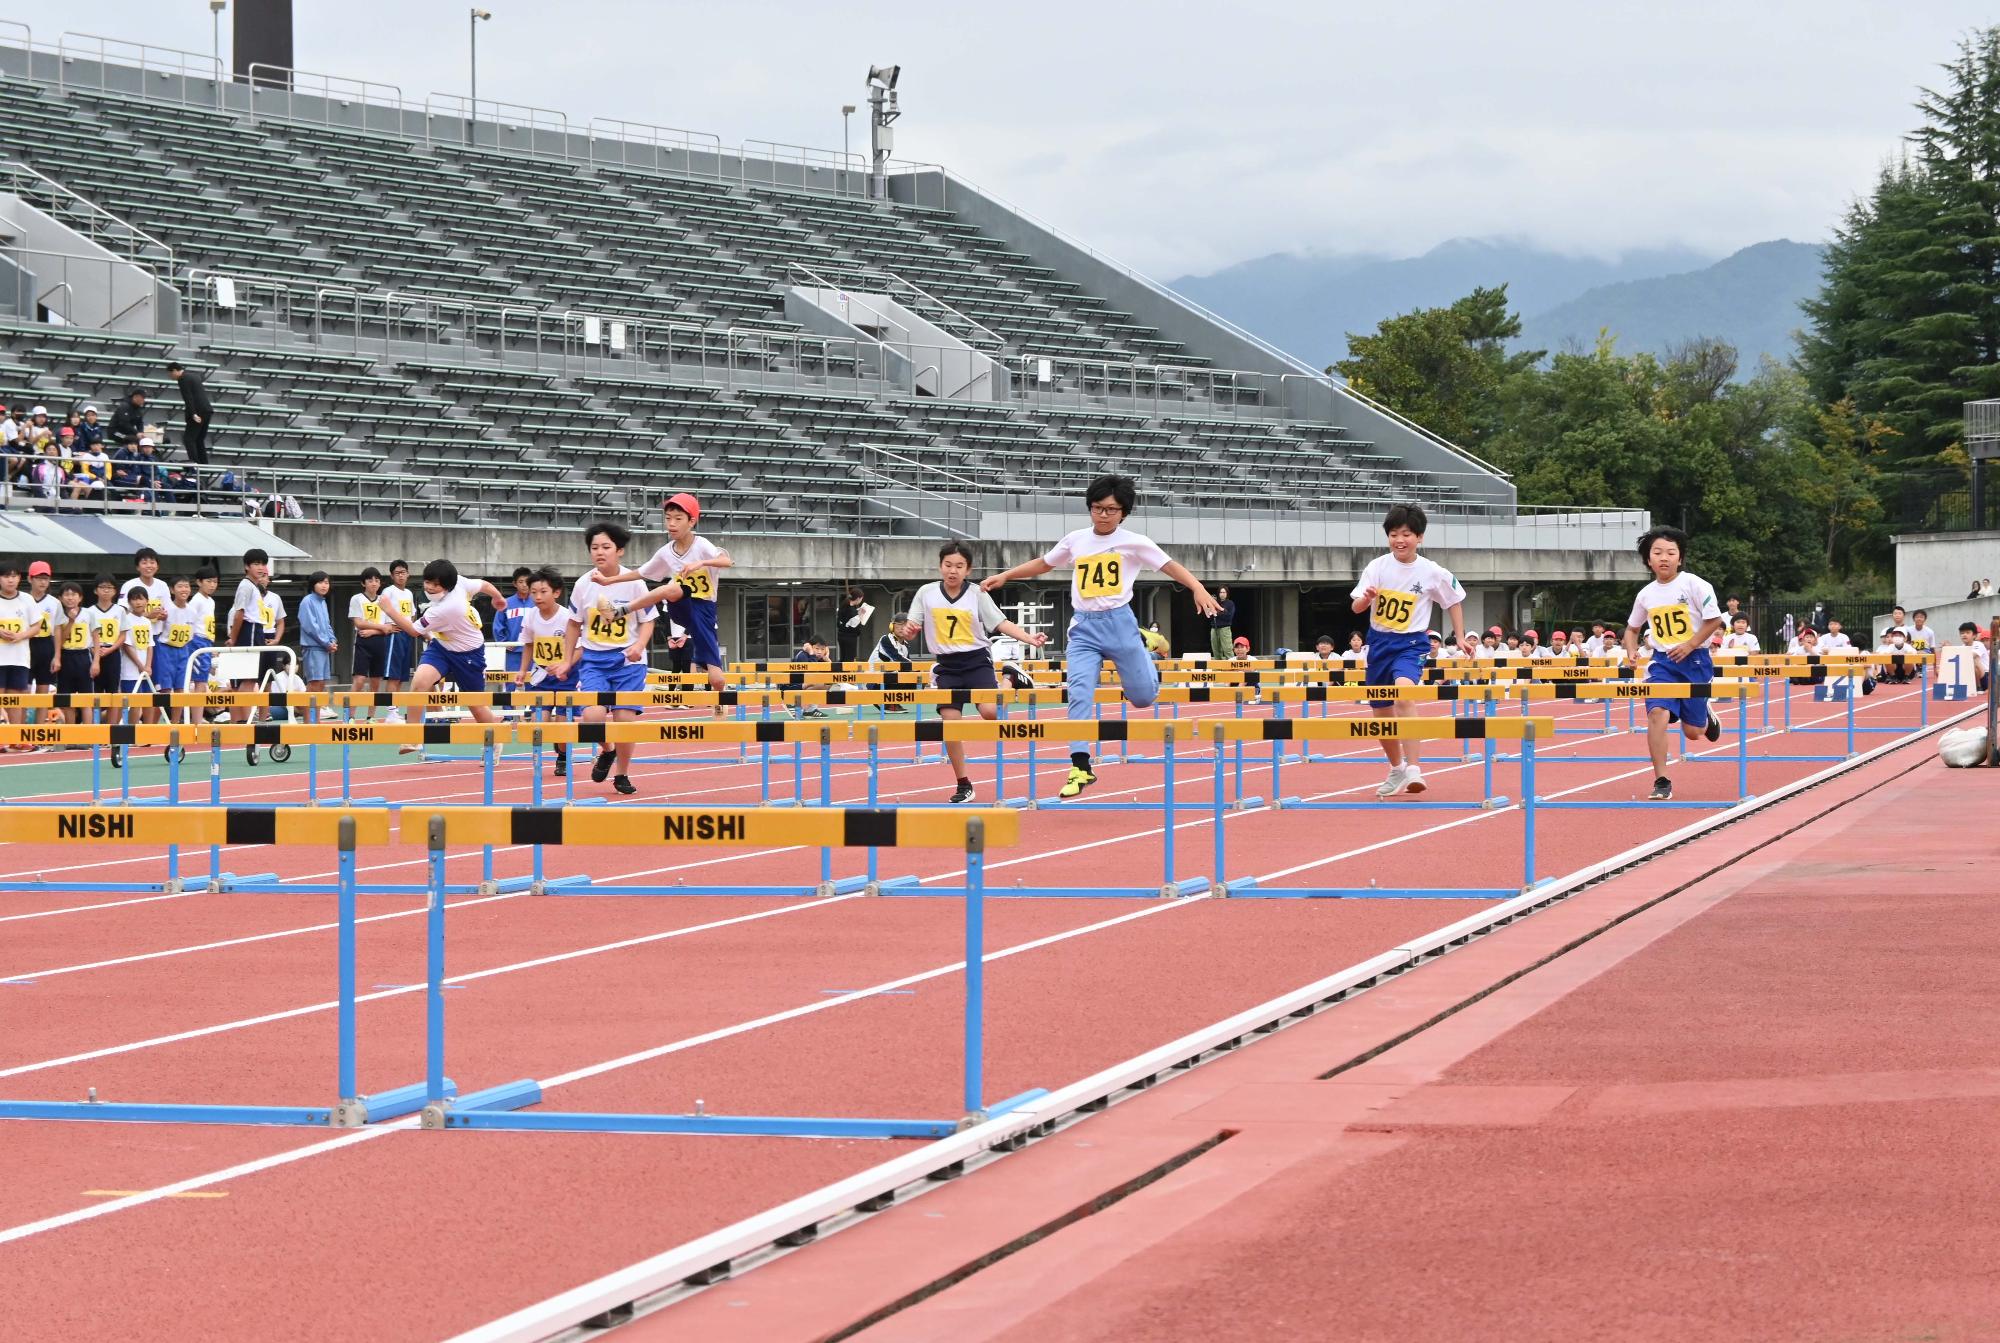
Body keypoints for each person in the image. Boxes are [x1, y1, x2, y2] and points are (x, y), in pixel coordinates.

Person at [979, 474, 1220, 799]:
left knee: (1142, 698)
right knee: (1079, 692)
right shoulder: (1076, 539)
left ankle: (1145, 643)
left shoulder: (1135, 542)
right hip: (1084, 629)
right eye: (1097, 508)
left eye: (1110, 510)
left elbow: (1169, 566)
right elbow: (1045, 564)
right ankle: (1080, 765)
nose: (1103, 515)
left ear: (1123, 512)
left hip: (1120, 625)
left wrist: (1198, 588)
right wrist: (1005, 575)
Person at [896, 542, 1049, 803]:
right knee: (950, 724)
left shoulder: (977, 594)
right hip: (946, 666)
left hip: (977, 660)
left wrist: (1028, 637)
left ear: (968, 569)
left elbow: (999, 622)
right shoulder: (926, 592)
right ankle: (963, 784)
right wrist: (910, 631)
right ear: (940, 565)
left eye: (959, 566)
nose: (952, 571)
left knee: (990, 713)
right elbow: (913, 624)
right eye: (948, 565)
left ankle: (1009, 677)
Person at [1351, 502, 1471, 798]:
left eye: (1406, 534)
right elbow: (1355, 607)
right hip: (1379, 643)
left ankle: (1415, 768)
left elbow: (1453, 600)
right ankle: (1396, 768)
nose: (1399, 540)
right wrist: (1367, 599)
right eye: (1393, 534)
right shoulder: (1377, 567)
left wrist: (1459, 636)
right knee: (1381, 713)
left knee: (1404, 691)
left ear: (1419, 537)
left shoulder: (1431, 571)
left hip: (1411, 643)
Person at [1623, 525, 1723, 802]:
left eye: (1670, 552)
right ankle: (1661, 780)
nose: (1664, 557)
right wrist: (1631, 652)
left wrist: (1691, 644)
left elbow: (1714, 620)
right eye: (1657, 552)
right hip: (1663, 663)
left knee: (1693, 733)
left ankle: (1705, 715)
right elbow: (1632, 629)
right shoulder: (1645, 594)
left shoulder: (1694, 584)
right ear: (1648, 559)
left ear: (1680, 558)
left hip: (1695, 661)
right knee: (1657, 714)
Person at [553, 522, 654, 794]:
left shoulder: (634, 583)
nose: (600, 552)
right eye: (594, 547)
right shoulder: (584, 584)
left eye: (606, 547)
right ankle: (607, 750)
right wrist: (566, 660)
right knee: (592, 717)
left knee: (624, 719)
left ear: (619, 550)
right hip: (594, 660)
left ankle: (622, 774)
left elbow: (648, 620)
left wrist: (639, 645)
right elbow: (574, 623)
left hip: (627, 661)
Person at [602, 493, 732, 693]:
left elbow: (726, 561)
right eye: (668, 518)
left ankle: (719, 708)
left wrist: (701, 562)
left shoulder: (702, 545)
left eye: (678, 519)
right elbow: (641, 573)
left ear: (691, 522)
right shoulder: (665, 552)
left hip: (704, 610)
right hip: (681, 606)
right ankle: (618, 612)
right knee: (670, 588)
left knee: (717, 680)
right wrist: (609, 579)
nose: (671, 524)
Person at [377, 559, 506, 753]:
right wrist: (497, 597)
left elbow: (412, 630)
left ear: (447, 586)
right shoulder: (460, 582)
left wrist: (389, 610)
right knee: (419, 683)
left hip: (469, 654)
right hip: (442, 647)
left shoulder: (447, 608)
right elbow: (484, 585)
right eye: (427, 581)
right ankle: (413, 737)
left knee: (475, 704)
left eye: (435, 585)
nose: (429, 587)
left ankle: (496, 739)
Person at [515, 567, 579, 776]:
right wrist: (523, 671)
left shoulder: (567, 617)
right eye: (533, 592)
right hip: (541, 676)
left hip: (565, 679)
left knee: (561, 729)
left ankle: (562, 755)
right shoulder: (531, 616)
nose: (538, 597)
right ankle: (539, 758)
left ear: (556, 592)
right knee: (538, 724)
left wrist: (565, 663)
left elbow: (581, 647)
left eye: (543, 592)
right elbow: (528, 645)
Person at [227, 548, 287, 764]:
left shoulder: (254, 587)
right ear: (246, 567)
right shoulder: (246, 586)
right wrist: (234, 639)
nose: (261, 567)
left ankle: (247, 718)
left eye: (263, 563)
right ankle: (245, 719)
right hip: (249, 630)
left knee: (253, 679)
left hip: (256, 630)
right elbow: (240, 613)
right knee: (248, 678)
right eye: (256, 564)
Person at [347, 566, 394, 715]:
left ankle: (370, 716)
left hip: (380, 643)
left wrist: (373, 630)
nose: (374, 583)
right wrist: (380, 627)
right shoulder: (357, 599)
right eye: (370, 580)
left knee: (375, 683)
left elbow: (389, 628)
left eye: (377, 580)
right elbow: (359, 623)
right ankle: (349, 716)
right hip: (363, 643)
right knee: (359, 681)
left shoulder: (384, 600)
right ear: (363, 583)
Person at [378, 559, 416, 721]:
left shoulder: (408, 593)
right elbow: (381, 611)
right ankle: (390, 712)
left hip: (407, 634)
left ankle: (395, 711)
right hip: (395, 634)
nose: (401, 576)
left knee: (401, 676)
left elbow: (412, 614)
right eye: (397, 573)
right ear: (392, 576)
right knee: (393, 675)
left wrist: (412, 628)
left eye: (403, 572)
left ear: (408, 574)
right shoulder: (388, 591)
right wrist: (385, 627)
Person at [156, 576, 198, 696]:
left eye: (186, 586)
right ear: (172, 590)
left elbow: (191, 634)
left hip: (184, 650)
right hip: (166, 650)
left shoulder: (192, 611)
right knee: (165, 689)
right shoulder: (166, 609)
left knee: (181, 688)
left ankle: (176, 716)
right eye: (180, 586)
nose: (184, 589)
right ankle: (162, 715)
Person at [491, 565, 534, 680]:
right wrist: (504, 643)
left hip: (534, 651)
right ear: (515, 584)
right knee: (511, 683)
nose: (524, 585)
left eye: (527, 581)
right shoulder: (506, 603)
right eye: (521, 582)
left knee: (534, 684)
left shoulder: (537, 602)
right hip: (513, 652)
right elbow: (498, 626)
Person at [166, 362, 213, 465]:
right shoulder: (194, 376)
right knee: (199, 439)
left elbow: (188, 398)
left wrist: (193, 414)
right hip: (207, 410)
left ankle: (195, 463)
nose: (170, 377)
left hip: (197, 411)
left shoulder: (182, 379)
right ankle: (204, 464)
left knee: (189, 439)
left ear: (174, 370)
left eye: (170, 374)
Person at [298, 571, 337, 692]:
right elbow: (311, 627)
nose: (324, 585)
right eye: (320, 582)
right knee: (315, 683)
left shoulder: (323, 602)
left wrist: (333, 640)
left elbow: (327, 625)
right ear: (313, 584)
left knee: (321, 684)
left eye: (326, 582)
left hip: (324, 648)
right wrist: (327, 643)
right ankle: (306, 711)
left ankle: (317, 711)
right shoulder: (307, 601)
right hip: (313, 647)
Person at [26, 561, 60, 695]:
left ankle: (41, 717)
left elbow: (57, 630)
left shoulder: (54, 602)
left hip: (45, 644)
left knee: (44, 690)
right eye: (39, 578)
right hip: (26, 643)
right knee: (24, 689)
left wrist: (57, 656)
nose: (43, 582)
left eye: (46, 579)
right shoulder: (23, 599)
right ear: (30, 579)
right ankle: (22, 717)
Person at [187, 566, 219, 691]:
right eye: (209, 581)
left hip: (207, 641)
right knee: (199, 679)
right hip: (197, 640)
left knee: (203, 679)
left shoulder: (211, 601)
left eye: (215, 582)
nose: (212, 585)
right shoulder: (196, 601)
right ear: (199, 582)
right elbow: (190, 623)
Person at [839, 588, 875, 664]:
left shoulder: (844, 604)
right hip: (849, 637)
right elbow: (854, 624)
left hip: (841, 635)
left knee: (843, 658)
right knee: (849, 659)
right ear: (858, 598)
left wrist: (858, 613)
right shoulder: (851, 611)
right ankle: (847, 674)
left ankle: (842, 672)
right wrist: (861, 615)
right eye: (861, 599)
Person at [1955, 621, 1990, 691]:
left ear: (1974, 635)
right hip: (1970, 675)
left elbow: (1970, 656)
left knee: (1975, 661)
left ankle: (1979, 687)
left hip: (1986, 676)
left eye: (1967, 633)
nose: (1964, 635)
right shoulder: (1962, 647)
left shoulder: (1979, 645)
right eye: (1962, 633)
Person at [1208, 584, 1237, 660]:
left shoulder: (1230, 603)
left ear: (1227, 593)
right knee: (1216, 650)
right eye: (1221, 592)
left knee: (1227, 649)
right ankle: (1219, 668)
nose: (1222, 594)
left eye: (1224, 592)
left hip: (1224, 628)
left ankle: (1232, 668)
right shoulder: (1215, 603)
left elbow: (1229, 617)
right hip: (1214, 628)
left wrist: (1218, 612)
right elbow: (1210, 615)